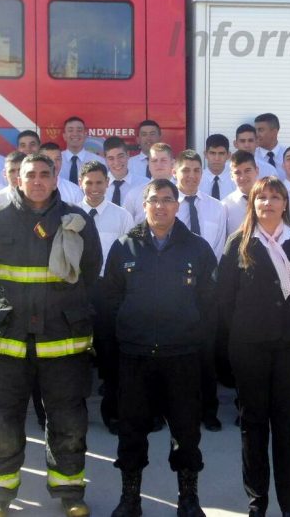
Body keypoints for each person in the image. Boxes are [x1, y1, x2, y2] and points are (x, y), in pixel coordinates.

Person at [0, 153, 102, 517]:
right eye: (30, 175)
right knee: (2, 418)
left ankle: (70, 492)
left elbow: (91, 270)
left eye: (45, 174)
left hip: (62, 338)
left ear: (55, 177)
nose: (37, 181)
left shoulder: (75, 221)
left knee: (68, 419)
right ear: (18, 178)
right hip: (7, 338)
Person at [104, 179, 217, 517]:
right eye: (154, 200)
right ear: (144, 204)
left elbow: (211, 303)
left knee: (186, 431)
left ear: (177, 206)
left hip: (181, 356)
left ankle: (188, 498)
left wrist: (196, 339)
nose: (161, 206)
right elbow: (110, 299)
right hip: (135, 357)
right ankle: (130, 499)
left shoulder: (197, 248)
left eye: (168, 200)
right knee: (131, 430)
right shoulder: (125, 246)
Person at [218, 176, 290, 517]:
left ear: (285, 204)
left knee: (286, 423)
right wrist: (248, 330)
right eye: (262, 198)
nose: (268, 204)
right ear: (253, 203)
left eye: (275, 197)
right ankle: (257, 500)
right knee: (254, 422)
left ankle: (289, 503)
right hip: (250, 348)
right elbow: (225, 300)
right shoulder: (239, 243)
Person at [78, 160, 135, 434]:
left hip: (109, 291)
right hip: (76, 291)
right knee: (75, 357)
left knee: (112, 356)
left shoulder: (122, 215)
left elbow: (130, 255)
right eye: (89, 182)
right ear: (81, 184)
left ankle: (112, 413)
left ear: (107, 184)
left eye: (99, 182)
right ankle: (74, 414)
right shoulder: (70, 215)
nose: (94, 188)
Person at [174, 150, 227, 432]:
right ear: (175, 172)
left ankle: (209, 411)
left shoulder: (217, 207)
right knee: (175, 353)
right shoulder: (167, 205)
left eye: (196, 170)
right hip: (175, 289)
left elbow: (218, 247)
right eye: (186, 170)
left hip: (206, 289)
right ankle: (175, 410)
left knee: (206, 354)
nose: (192, 175)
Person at [122, 142, 176, 223]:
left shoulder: (183, 192)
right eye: (154, 161)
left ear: (172, 163)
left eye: (163, 160)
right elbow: (124, 226)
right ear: (149, 165)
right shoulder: (134, 194)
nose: (159, 164)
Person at [223, 150, 260, 235]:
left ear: (257, 170)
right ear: (231, 176)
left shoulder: (270, 199)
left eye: (247, 171)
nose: (243, 177)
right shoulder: (225, 206)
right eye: (237, 173)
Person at [103, 137, 147, 206]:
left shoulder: (144, 184)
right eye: (111, 158)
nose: (116, 162)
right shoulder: (98, 185)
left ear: (128, 155)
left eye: (120, 156)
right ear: (105, 159)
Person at [60, 116, 104, 184]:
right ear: (64, 136)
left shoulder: (98, 161)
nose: (75, 134)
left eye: (79, 130)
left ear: (85, 135)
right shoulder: (56, 160)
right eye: (70, 130)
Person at [199, 134, 235, 200]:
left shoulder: (236, 180)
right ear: (205, 154)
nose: (217, 158)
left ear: (228, 155)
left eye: (221, 153)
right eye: (212, 153)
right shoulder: (197, 180)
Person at [254, 113, 286, 180]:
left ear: (274, 132)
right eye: (255, 130)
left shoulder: (288, 155)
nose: (256, 134)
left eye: (260, 130)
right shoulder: (252, 157)